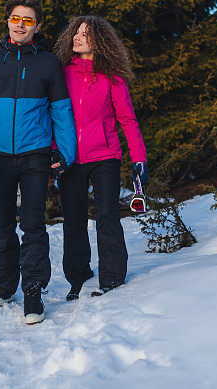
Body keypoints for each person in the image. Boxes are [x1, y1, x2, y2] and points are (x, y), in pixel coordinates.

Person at [0, 0, 76, 325]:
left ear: (37, 26)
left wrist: (64, 152)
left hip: (35, 157)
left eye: (28, 20)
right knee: (1, 225)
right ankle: (2, 286)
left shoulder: (48, 64)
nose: (21, 24)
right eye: (16, 18)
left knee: (33, 225)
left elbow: (61, 112)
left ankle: (33, 292)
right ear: (8, 22)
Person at [52, 16, 147, 301]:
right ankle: (78, 276)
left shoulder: (113, 77)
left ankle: (112, 277)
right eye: (76, 33)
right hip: (70, 157)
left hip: (105, 155)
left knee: (106, 215)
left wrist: (139, 160)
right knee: (74, 219)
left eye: (85, 34)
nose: (77, 37)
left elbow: (128, 120)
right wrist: (55, 150)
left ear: (100, 41)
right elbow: (53, 116)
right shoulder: (62, 73)